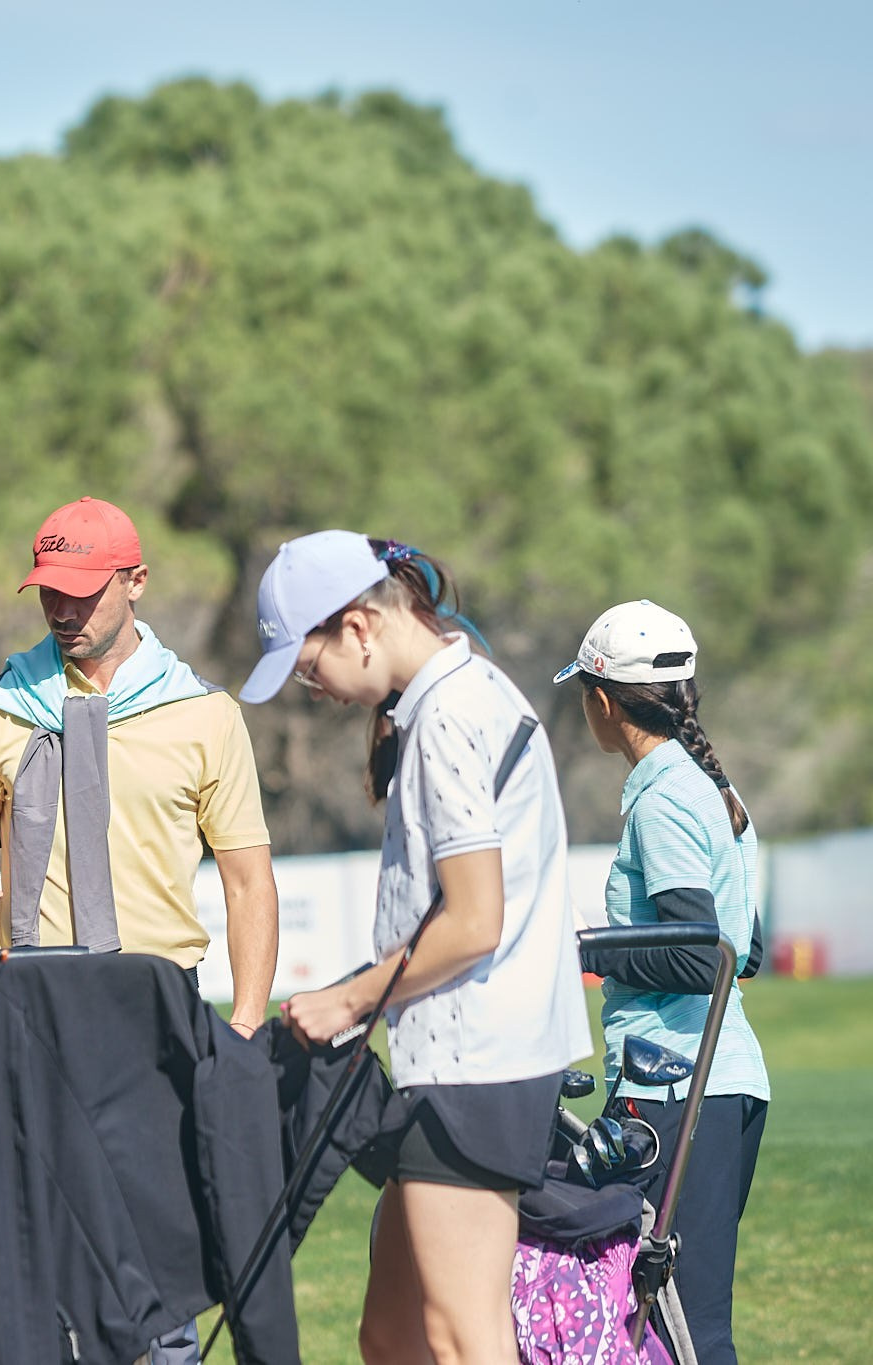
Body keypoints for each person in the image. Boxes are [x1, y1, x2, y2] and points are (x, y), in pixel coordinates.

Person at [243, 531, 591, 1365]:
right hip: (463, 1060)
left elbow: (474, 920)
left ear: (359, 627)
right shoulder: (465, 694)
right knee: (392, 1335)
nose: (315, 690)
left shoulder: (447, 716)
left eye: (308, 666)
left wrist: (347, 998)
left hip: (477, 1064)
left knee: (461, 1338)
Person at [0, 496, 280, 1030]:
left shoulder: (205, 712)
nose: (62, 612)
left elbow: (248, 882)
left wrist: (246, 1024)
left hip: (159, 998)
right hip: (27, 998)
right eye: (49, 591)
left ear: (136, 582)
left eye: (82, 593)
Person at [555, 599, 769, 1365]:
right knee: (667, 1317)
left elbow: (697, 958)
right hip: (724, 1083)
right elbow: (747, 950)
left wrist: (586, 949)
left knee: (681, 1325)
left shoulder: (666, 799)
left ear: (604, 701)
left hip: (676, 1088)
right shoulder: (714, 788)